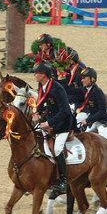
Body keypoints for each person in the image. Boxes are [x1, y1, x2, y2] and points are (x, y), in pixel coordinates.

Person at [32, 62, 74, 195]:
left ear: (43, 75)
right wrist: (37, 113)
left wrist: (49, 123)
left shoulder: (57, 88)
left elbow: (65, 111)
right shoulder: (41, 85)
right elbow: (42, 103)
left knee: (57, 148)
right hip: (50, 121)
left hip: (63, 124)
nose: (34, 75)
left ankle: (63, 180)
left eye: (36, 73)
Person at [75, 67, 107, 140]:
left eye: (84, 78)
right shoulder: (85, 90)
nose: (82, 80)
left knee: (103, 142)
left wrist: (87, 120)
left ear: (92, 79)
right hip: (94, 121)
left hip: (103, 122)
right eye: (82, 78)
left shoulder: (98, 92)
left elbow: (102, 111)